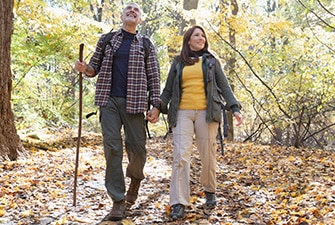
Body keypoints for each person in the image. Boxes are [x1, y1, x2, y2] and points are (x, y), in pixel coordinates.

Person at [74, 2, 161, 221]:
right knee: (112, 148)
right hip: (108, 100)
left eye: (136, 11)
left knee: (137, 149)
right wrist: (84, 69)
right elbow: (93, 69)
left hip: (136, 102)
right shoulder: (107, 40)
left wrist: (156, 105)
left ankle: (135, 180)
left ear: (140, 19)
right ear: (121, 16)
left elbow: (154, 76)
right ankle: (118, 200)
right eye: (128, 10)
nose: (132, 12)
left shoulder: (146, 44)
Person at [159, 25, 243, 221]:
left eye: (203, 36)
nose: (201, 38)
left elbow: (224, 86)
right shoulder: (178, 62)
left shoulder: (211, 61)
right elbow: (168, 89)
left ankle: (210, 190)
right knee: (181, 156)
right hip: (182, 113)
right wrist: (157, 106)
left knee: (208, 154)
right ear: (188, 40)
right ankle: (179, 202)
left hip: (207, 112)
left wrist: (235, 108)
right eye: (196, 35)